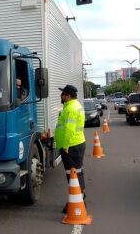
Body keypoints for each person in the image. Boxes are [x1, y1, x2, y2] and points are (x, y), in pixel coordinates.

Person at [54, 84, 87, 214]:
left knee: (73, 174)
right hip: (75, 145)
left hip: (72, 146)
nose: (60, 96)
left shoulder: (71, 109)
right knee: (77, 172)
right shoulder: (72, 106)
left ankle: (76, 202)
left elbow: (69, 129)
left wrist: (66, 145)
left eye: (62, 94)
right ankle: (79, 198)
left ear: (67, 96)